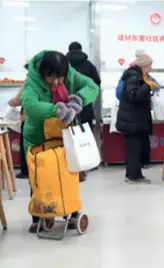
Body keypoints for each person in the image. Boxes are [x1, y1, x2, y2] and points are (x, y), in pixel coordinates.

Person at [21, 50, 99, 233]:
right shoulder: (32, 82)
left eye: (60, 78)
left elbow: (92, 86)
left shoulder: (72, 76)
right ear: (42, 73)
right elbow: (30, 106)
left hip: (65, 137)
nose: (56, 83)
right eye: (51, 78)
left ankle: (71, 212)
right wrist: (55, 110)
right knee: (39, 177)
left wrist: (79, 98)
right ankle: (39, 216)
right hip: (38, 138)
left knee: (68, 174)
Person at [116, 50, 157, 184]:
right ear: (144, 66)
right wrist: (147, 87)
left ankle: (136, 174)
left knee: (137, 148)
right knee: (134, 149)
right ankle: (132, 176)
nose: (151, 68)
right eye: (150, 65)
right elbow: (134, 95)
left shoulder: (139, 76)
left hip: (135, 120)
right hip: (131, 120)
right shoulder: (133, 77)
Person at [66, 41, 101, 131]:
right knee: (86, 138)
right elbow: (97, 82)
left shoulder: (64, 65)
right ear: (81, 50)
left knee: (69, 137)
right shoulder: (89, 65)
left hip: (67, 106)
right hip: (85, 106)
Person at [8, 64, 29, 179]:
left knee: (25, 143)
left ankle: (25, 170)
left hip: (27, 117)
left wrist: (12, 101)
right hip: (38, 119)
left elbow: (18, 99)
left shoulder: (29, 82)